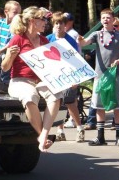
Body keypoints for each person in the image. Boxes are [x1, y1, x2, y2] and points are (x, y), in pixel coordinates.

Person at [1, 6, 62, 152]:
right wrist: (10, 55)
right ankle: (42, 135)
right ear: (32, 21)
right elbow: (4, 68)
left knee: (56, 95)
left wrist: (66, 78)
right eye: (43, 19)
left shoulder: (44, 40)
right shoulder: (18, 38)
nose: (45, 22)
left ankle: (43, 135)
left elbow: (52, 65)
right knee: (29, 97)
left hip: (40, 80)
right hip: (20, 80)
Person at [78, 8, 119, 147]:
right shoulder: (96, 34)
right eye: (103, 18)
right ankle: (100, 136)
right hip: (99, 76)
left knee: (117, 106)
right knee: (99, 106)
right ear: (101, 20)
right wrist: (79, 40)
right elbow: (84, 43)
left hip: (115, 75)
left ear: (113, 20)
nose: (105, 20)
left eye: (108, 17)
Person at [46, 11, 85, 143]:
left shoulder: (70, 41)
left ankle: (80, 128)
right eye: (56, 23)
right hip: (54, 75)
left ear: (65, 25)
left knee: (70, 103)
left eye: (61, 23)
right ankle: (60, 130)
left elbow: (76, 59)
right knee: (57, 102)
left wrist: (76, 79)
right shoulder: (48, 38)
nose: (58, 26)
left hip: (69, 75)